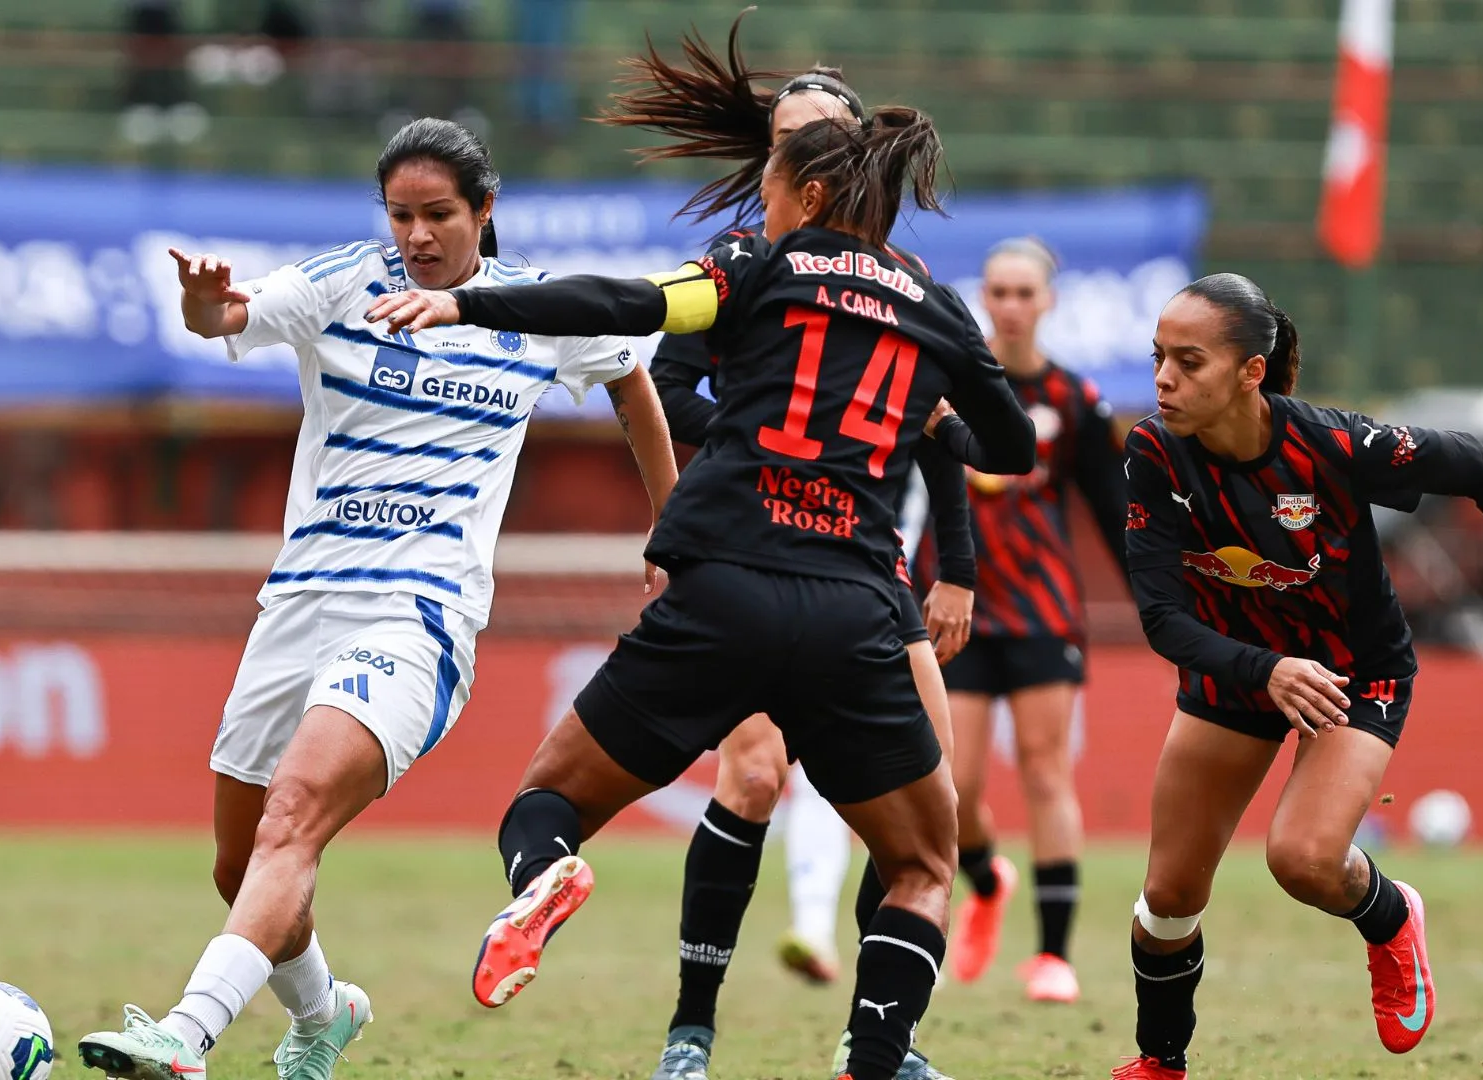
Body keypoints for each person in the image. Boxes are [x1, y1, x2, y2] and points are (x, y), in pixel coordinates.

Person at [368, 100, 1038, 1080]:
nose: (756, 206)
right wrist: (933, 421)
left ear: (806, 196)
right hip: (855, 606)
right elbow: (1011, 449)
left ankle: (548, 879)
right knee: (925, 870)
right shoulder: (937, 310)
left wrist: (469, 303)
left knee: (545, 802)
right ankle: (874, 1057)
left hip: (722, 586)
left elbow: (632, 308)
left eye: (764, 190)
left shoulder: (753, 266)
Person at [72, 117, 679, 1080]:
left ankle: (183, 1037)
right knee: (241, 867)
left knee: (293, 817)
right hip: (299, 605)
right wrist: (202, 307)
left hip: (417, 614)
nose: (419, 236)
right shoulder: (342, 283)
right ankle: (323, 1015)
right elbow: (226, 320)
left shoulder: (534, 308)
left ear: (485, 211)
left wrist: (669, 529)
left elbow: (632, 381)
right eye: (401, 215)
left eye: (439, 214)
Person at [1109, 273, 1483, 1079]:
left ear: (1250, 373)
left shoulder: (1334, 446)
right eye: (1158, 357)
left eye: (1189, 362)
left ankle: (1389, 916)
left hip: (1353, 675)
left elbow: (1473, 462)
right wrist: (1266, 670)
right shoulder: (1152, 453)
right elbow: (1164, 620)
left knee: (1301, 860)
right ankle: (1160, 1063)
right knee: (1167, 899)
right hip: (1241, 676)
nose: (1164, 379)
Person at [617, 40, 978, 1080]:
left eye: (815, 140)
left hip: (867, 568)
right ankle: (692, 1033)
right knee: (753, 772)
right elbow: (662, 384)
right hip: (749, 549)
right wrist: (757, 433)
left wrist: (954, 569)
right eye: (783, 142)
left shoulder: (901, 285)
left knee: (929, 815)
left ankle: (879, 1041)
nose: (797, 159)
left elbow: (939, 426)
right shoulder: (736, 262)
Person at [911, 237, 1129, 1003]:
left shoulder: (1074, 399)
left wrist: (1166, 605)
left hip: (1042, 611)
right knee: (955, 784)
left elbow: (1112, 510)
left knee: (1045, 771)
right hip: (954, 608)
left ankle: (1053, 957)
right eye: (997, 292)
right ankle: (985, 879)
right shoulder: (946, 387)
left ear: (1048, 302)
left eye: (1022, 293)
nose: (1009, 305)